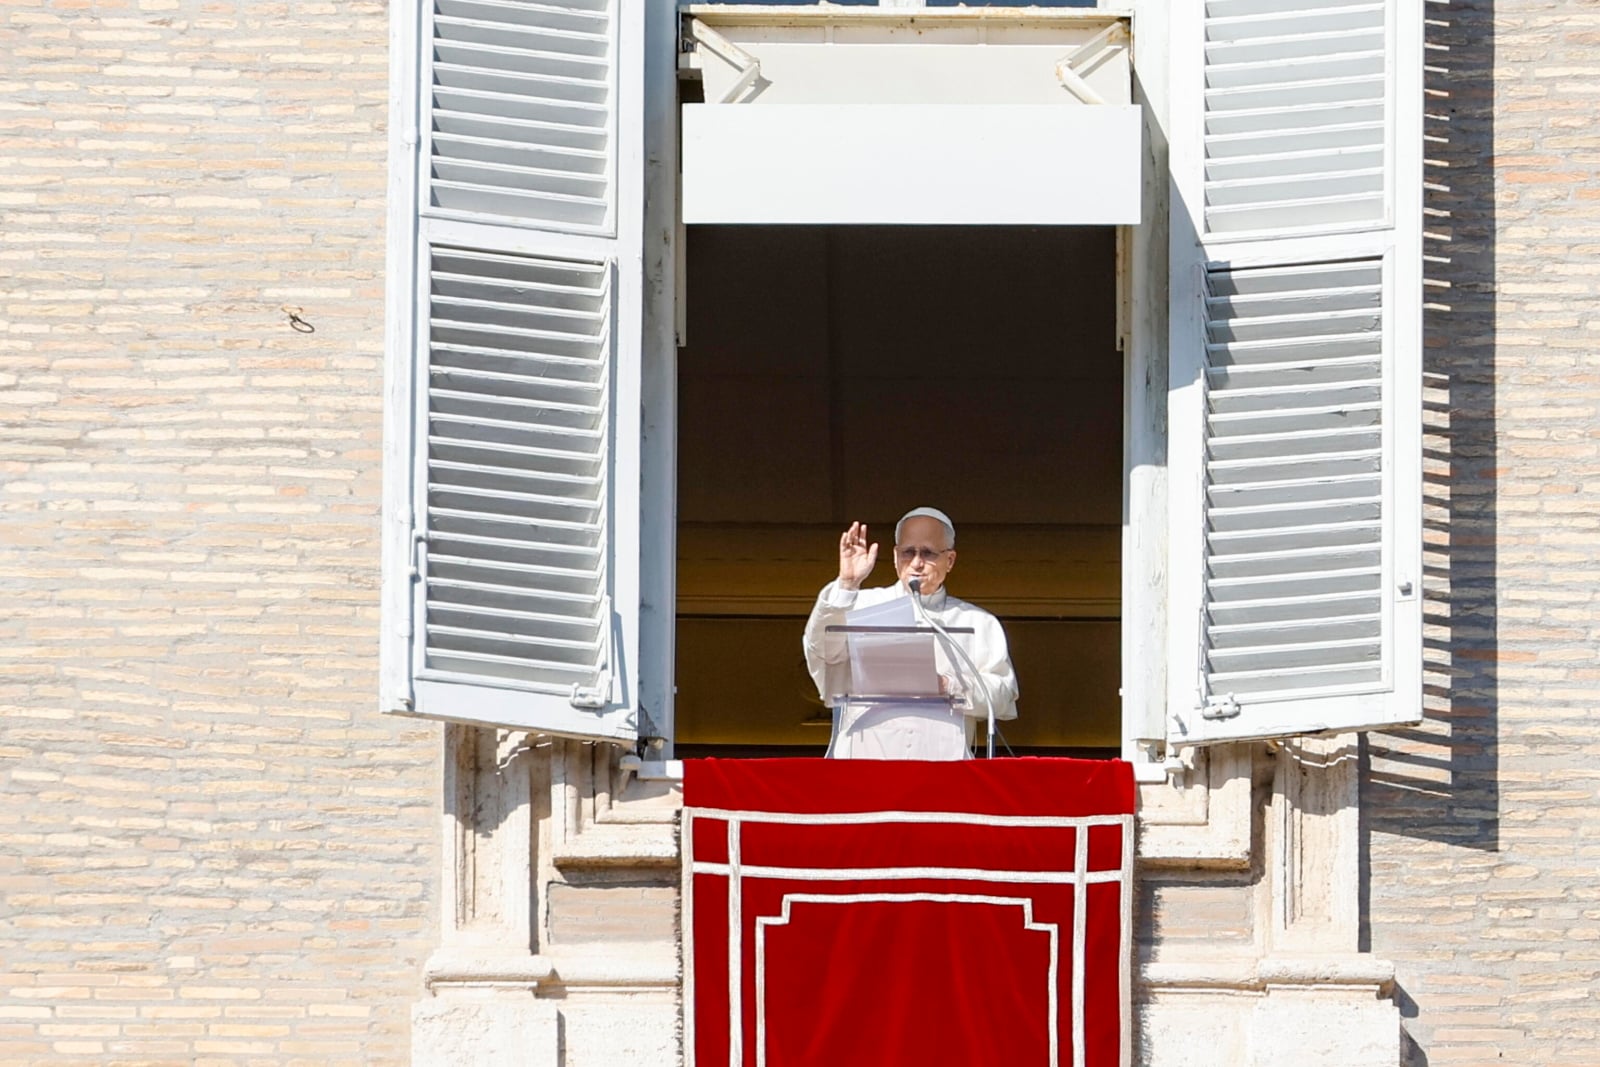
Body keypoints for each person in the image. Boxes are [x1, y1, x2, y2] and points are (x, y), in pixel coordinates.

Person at [802, 507, 1018, 759]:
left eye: (927, 553)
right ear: (895, 557)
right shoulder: (859, 604)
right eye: (908, 552)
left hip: (942, 768)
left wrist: (948, 684)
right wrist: (847, 585)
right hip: (866, 762)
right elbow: (821, 652)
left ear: (949, 560)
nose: (916, 563)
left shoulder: (977, 621)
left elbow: (1003, 695)